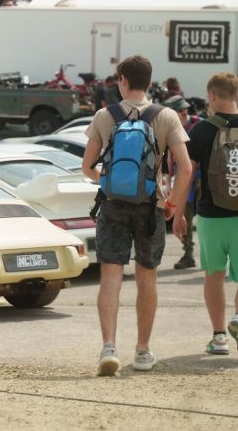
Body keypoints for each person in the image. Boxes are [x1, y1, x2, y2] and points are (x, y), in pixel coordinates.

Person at [81, 56, 191, 377]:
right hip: (151, 207)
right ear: (149, 82)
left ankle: (108, 347)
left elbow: (87, 167)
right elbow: (185, 169)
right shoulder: (166, 116)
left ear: (123, 80)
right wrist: (172, 203)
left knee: (111, 276)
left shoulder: (105, 115)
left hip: (112, 205)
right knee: (147, 278)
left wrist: (110, 181)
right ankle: (142, 350)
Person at [179, 73, 238, 355]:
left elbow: (186, 174)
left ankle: (219, 338)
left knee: (214, 275)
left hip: (211, 217)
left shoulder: (201, 130)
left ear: (212, 95)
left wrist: (178, 212)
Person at [161, 96, 198, 270]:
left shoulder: (198, 125)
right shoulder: (170, 128)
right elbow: (169, 157)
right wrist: (169, 183)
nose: (183, 114)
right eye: (180, 111)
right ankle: (188, 253)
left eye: (184, 110)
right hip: (183, 180)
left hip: (202, 178)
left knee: (208, 217)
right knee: (184, 218)